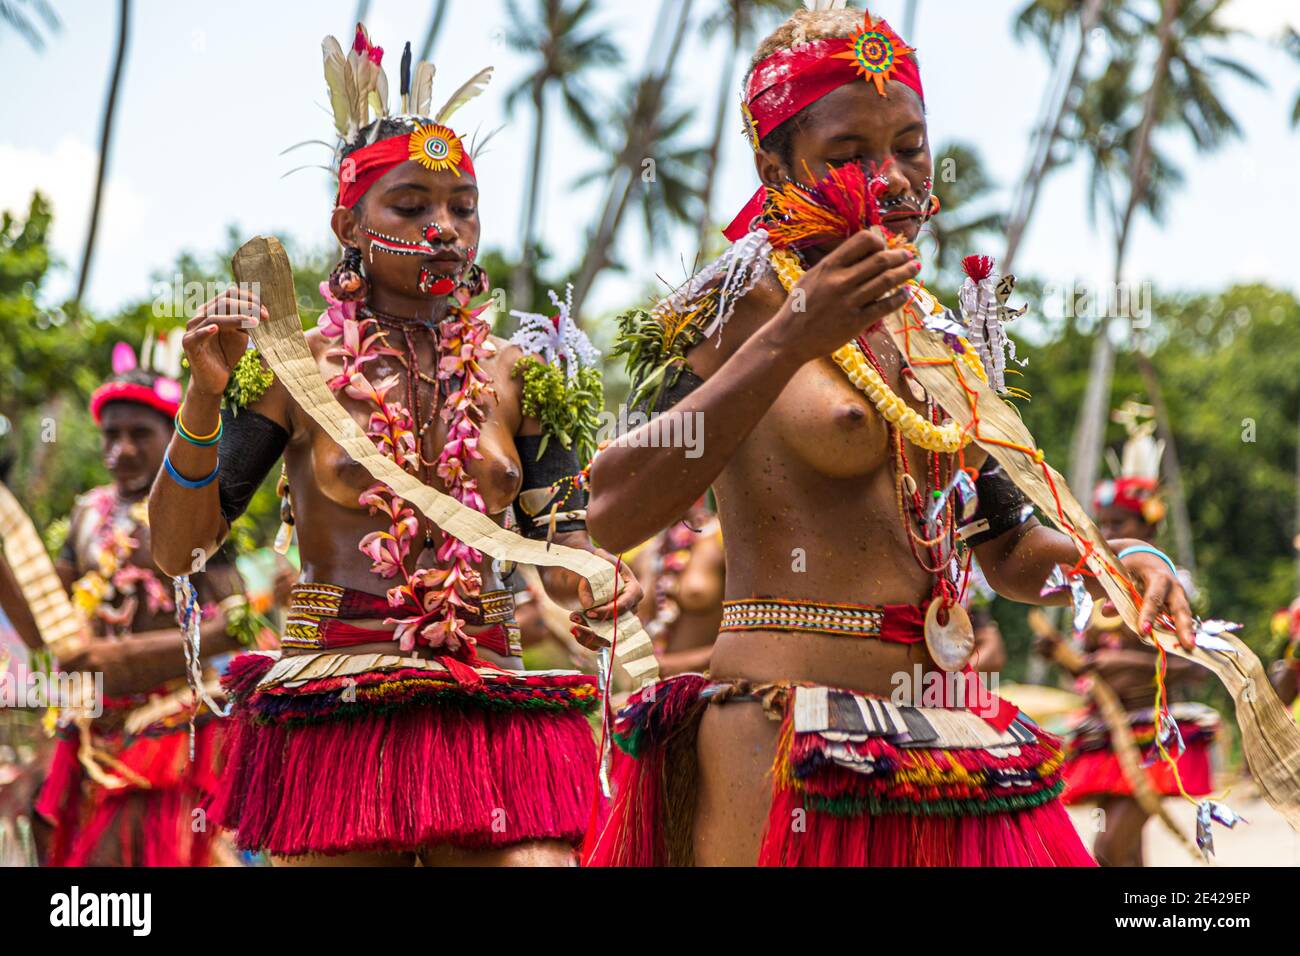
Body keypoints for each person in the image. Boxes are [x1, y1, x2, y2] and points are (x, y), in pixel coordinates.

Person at [583, 4, 1196, 867]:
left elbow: (1007, 545)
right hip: (786, 730)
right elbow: (608, 512)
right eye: (849, 155)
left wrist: (1114, 562)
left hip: (949, 731)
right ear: (775, 165)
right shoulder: (729, 307)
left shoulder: (937, 333)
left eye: (910, 145)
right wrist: (793, 333)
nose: (894, 178)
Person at [148, 24, 638, 867]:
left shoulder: (526, 376)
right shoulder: (292, 371)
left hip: (486, 694)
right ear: (350, 220)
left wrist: (599, 580)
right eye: (410, 207)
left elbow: (564, 555)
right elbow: (177, 546)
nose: (443, 228)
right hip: (337, 701)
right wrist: (201, 395)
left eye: (462, 208)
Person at [0, 349, 249, 866]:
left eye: (140, 434)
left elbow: (241, 624)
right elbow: (50, 629)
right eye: (112, 436)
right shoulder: (87, 514)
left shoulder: (197, 513)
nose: (123, 449)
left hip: (170, 722)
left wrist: (128, 661)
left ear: (173, 437)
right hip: (90, 724)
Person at [1048, 403, 1217, 866]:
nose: (1108, 534)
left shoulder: (1173, 585)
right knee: (1125, 857)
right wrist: (1062, 655)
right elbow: (1087, 668)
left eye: (1119, 526)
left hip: (1152, 733)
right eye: (1103, 526)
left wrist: (1126, 665)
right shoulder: (1096, 584)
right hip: (1107, 735)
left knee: (1107, 848)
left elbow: (1194, 667)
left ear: (1149, 526)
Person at [628, 496, 725, 677]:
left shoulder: (726, 540)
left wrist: (681, 666)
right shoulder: (641, 551)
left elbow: (760, 633)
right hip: (653, 694)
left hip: (713, 692)